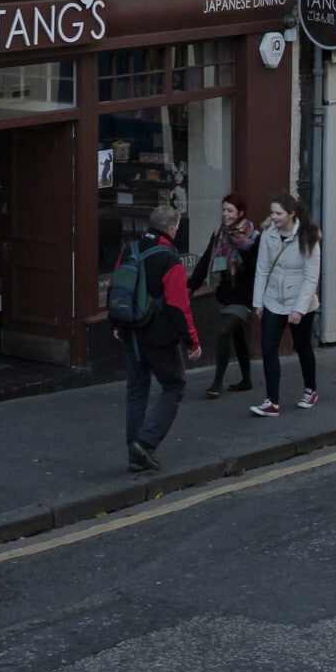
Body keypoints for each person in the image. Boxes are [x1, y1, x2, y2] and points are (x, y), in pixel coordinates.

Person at [116, 202, 201, 472]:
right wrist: (192, 342)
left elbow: (118, 288)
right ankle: (145, 442)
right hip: (160, 336)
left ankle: (135, 454)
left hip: (132, 331)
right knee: (174, 386)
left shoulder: (130, 249)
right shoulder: (170, 259)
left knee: (136, 390)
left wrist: (117, 323)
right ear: (172, 228)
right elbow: (178, 306)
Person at [250, 193, 321, 417]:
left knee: (302, 347)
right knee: (268, 348)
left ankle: (310, 389)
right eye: (272, 213)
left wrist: (299, 309)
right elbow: (262, 269)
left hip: (299, 303)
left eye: (278, 213)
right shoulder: (268, 235)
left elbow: (311, 277)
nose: (274, 217)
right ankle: (272, 401)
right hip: (273, 300)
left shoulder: (308, 237)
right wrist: (258, 302)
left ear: (291, 214)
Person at [189, 194, 259, 396]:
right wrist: (191, 286)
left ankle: (216, 384)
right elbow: (206, 260)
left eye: (230, 210)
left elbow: (256, 268)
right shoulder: (220, 233)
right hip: (225, 293)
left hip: (244, 295)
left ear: (240, 213)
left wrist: (244, 247)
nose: (225, 214)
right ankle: (246, 380)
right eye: (224, 210)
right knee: (238, 337)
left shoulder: (253, 236)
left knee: (224, 331)